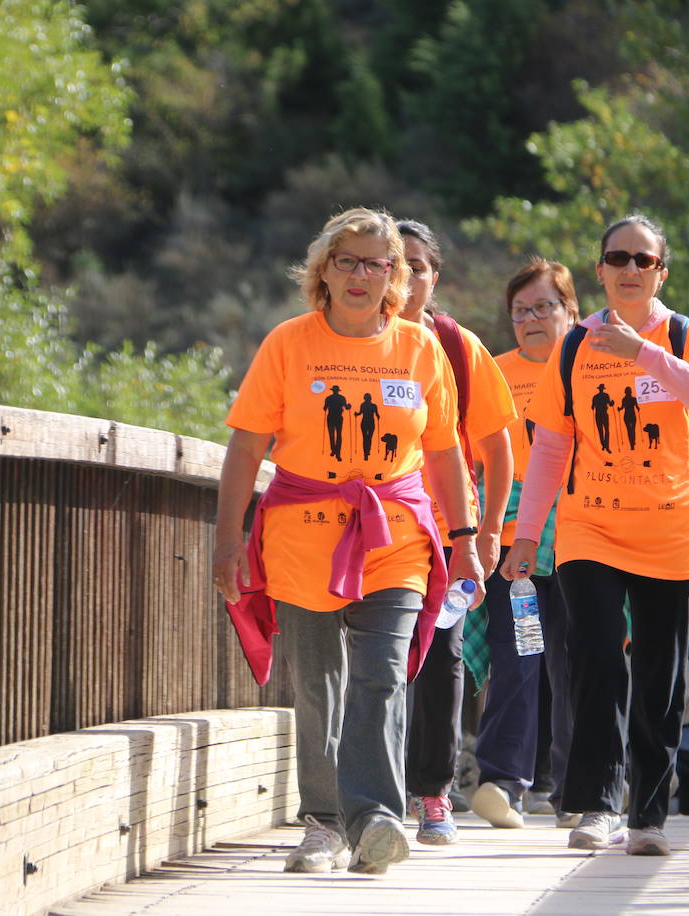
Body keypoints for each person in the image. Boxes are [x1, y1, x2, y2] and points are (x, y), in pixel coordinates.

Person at [212, 208, 484, 876]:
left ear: (396, 275)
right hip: (302, 538)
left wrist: (465, 538)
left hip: (395, 537)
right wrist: (227, 543)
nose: (361, 276)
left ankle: (375, 820)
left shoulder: (420, 348)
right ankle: (322, 824)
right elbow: (246, 448)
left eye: (376, 263)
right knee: (320, 685)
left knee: (384, 676)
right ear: (323, 270)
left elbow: (445, 454)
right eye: (347, 261)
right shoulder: (288, 344)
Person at [502, 214, 689, 856]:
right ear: (600, 269)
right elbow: (550, 444)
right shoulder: (575, 344)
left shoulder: (686, 335)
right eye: (618, 258)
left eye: (644, 260)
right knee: (598, 657)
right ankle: (596, 804)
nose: (630, 269)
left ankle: (649, 817)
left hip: (669, 528)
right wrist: (525, 536)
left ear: (662, 271)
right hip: (589, 526)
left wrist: (643, 353)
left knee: (658, 673)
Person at [396, 220, 516, 846]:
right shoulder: (350, 341)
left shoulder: (458, 346)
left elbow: (499, 449)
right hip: (372, 529)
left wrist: (488, 531)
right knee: (375, 659)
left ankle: (432, 794)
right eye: (397, 262)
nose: (407, 276)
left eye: (419, 265)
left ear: (435, 276)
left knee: (442, 661)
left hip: (446, 526)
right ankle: (370, 792)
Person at [469, 258, 578, 830]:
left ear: (570, 311)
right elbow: (471, 458)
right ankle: (501, 779)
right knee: (522, 655)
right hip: (519, 547)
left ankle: (573, 787)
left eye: (544, 306)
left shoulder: (593, 366)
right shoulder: (492, 372)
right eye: (520, 311)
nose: (531, 318)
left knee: (579, 663)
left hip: (590, 542)